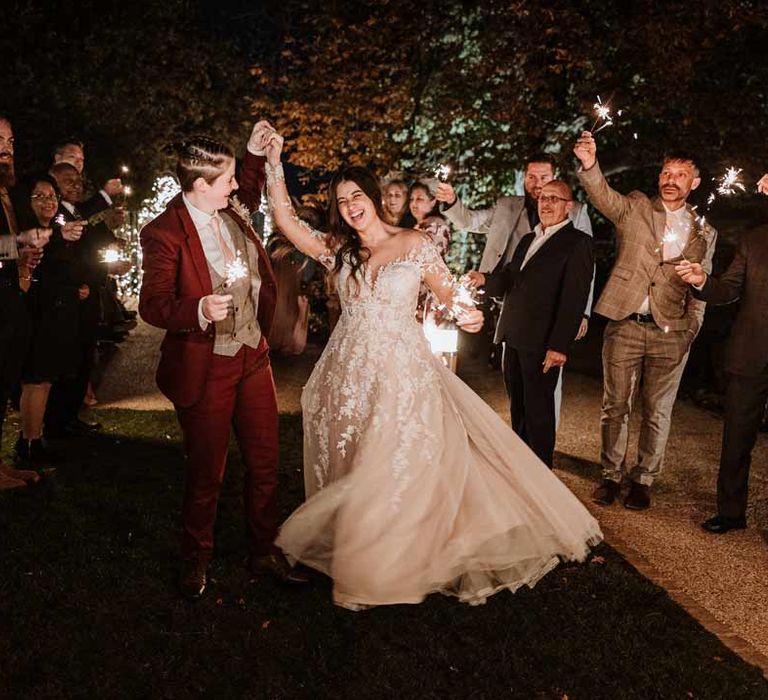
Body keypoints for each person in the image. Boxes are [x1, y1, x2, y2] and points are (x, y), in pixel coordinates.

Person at [260, 123, 602, 610]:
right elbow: (287, 221)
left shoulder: (415, 244)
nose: (351, 206)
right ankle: (357, 540)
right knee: (353, 456)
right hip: (347, 373)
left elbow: (448, 295)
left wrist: (468, 311)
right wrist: (274, 165)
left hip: (402, 370)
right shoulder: (339, 252)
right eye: (342, 201)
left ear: (374, 197)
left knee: (391, 458)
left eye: (357, 195)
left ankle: (389, 555)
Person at [138, 125, 308, 600]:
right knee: (206, 472)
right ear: (199, 186)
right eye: (227, 179)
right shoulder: (163, 233)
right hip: (206, 364)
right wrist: (196, 310)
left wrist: (253, 155)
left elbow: (249, 188)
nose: (235, 186)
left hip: (252, 356)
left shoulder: (230, 208)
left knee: (266, 462)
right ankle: (196, 561)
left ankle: (264, 551)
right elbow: (151, 305)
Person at [573, 131, 717, 510]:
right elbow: (603, 195)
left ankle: (644, 478)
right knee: (615, 404)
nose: (671, 180)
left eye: (680, 175)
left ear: (695, 183)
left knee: (658, 410)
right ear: (659, 177)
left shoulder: (706, 231)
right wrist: (590, 165)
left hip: (673, 331)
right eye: (667, 173)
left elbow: (702, 285)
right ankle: (610, 475)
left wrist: (693, 328)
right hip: (625, 323)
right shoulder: (635, 207)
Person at [436, 155, 594, 422]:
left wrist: (583, 314)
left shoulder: (576, 212)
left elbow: (583, 274)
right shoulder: (508, 206)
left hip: (548, 313)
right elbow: (469, 221)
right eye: (531, 177)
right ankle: (521, 448)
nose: (537, 184)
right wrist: (451, 201)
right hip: (509, 307)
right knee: (517, 387)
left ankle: (542, 450)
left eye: (544, 178)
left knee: (544, 392)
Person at [466, 180, 593, 468]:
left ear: (568, 206)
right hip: (514, 334)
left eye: (554, 199)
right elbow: (511, 279)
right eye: (543, 198)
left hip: (543, 341)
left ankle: (541, 474)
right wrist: (484, 279)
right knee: (518, 407)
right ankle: (521, 470)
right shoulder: (527, 239)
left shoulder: (577, 243)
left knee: (539, 411)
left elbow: (574, 298)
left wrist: (559, 346)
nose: (546, 204)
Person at [675, 172, 768, 534]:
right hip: (752, 352)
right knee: (736, 439)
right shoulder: (755, 239)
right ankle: (731, 513)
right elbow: (728, 289)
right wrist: (701, 281)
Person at [15, 174, 78, 465]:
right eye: (40, 196)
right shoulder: (26, 233)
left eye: (52, 196)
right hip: (35, 313)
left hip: (52, 313)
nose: (48, 201)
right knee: (36, 380)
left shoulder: (55, 229)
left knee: (44, 381)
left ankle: (33, 438)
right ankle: (29, 443)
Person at [0, 115, 49, 489]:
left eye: (10, 141)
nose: (6, 149)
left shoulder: (6, 192)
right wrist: (16, 245)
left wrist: (23, 255)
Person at [409, 181, 451, 257]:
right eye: (411, 199)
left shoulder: (436, 227)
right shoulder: (419, 224)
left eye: (419, 199)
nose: (413, 204)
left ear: (433, 202)